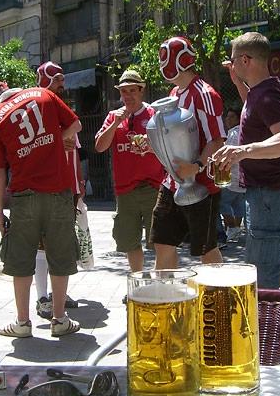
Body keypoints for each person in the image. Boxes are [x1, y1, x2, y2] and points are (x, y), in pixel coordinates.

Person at [0, 80, 82, 338]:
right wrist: (56, 142)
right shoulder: (44, 95)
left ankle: (23, 323)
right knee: (60, 255)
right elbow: (76, 124)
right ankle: (60, 319)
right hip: (59, 191)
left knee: (21, 260)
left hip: (25, 197)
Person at [213, 31, 280, 291]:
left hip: (270, 194)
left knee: (260, 267)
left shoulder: (268, 96)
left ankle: (265, 326)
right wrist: (236, 80)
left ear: (245, 60)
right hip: (268, 192)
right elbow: (252, 111)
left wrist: (242, 151)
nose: (230, 64)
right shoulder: (259, 92)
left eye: (233, 60)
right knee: (271, 253)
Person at [150, 36, 226, 269]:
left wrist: (196, 166)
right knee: (162, 242)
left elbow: (217, 139)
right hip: (172, 183)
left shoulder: (204, 94)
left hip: (202, 185)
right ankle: (165, 297)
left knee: (206, 250)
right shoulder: (174, 93)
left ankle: (222, 297)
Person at [95, 69, 165, 272]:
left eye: (132, 91)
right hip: (126, 191)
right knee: (130, 241)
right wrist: (116, 122)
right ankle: (139, 281)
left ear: (141, 91)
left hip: (153, 186)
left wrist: (151, 146)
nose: (128, 96)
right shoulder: (113, 117)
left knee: (159, 240)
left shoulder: (154, 114)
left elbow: (169, 147)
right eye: (124, 91)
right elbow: (100, 146)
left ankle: (160, 282)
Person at [33, 61, 82, 319]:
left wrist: (79, 187)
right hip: (47, 188)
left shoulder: (63, 111)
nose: (62, 86)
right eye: (57, 80)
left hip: (68, 188)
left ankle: (57, 294)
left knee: (61, 244)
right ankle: (42, 298)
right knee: (43, 245)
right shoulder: (38, 112)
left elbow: (75, 153)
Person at [219, 108, 246, 242]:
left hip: (232, 174)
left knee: (222, 202)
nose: (227, 120)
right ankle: (235, 228)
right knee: (237, 203)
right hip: (241, 176)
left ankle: (232, 227)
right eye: (227, 117)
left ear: (237, 118)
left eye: (231, 117)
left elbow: (228, 155)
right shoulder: (243, 131)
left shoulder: (234, 133)